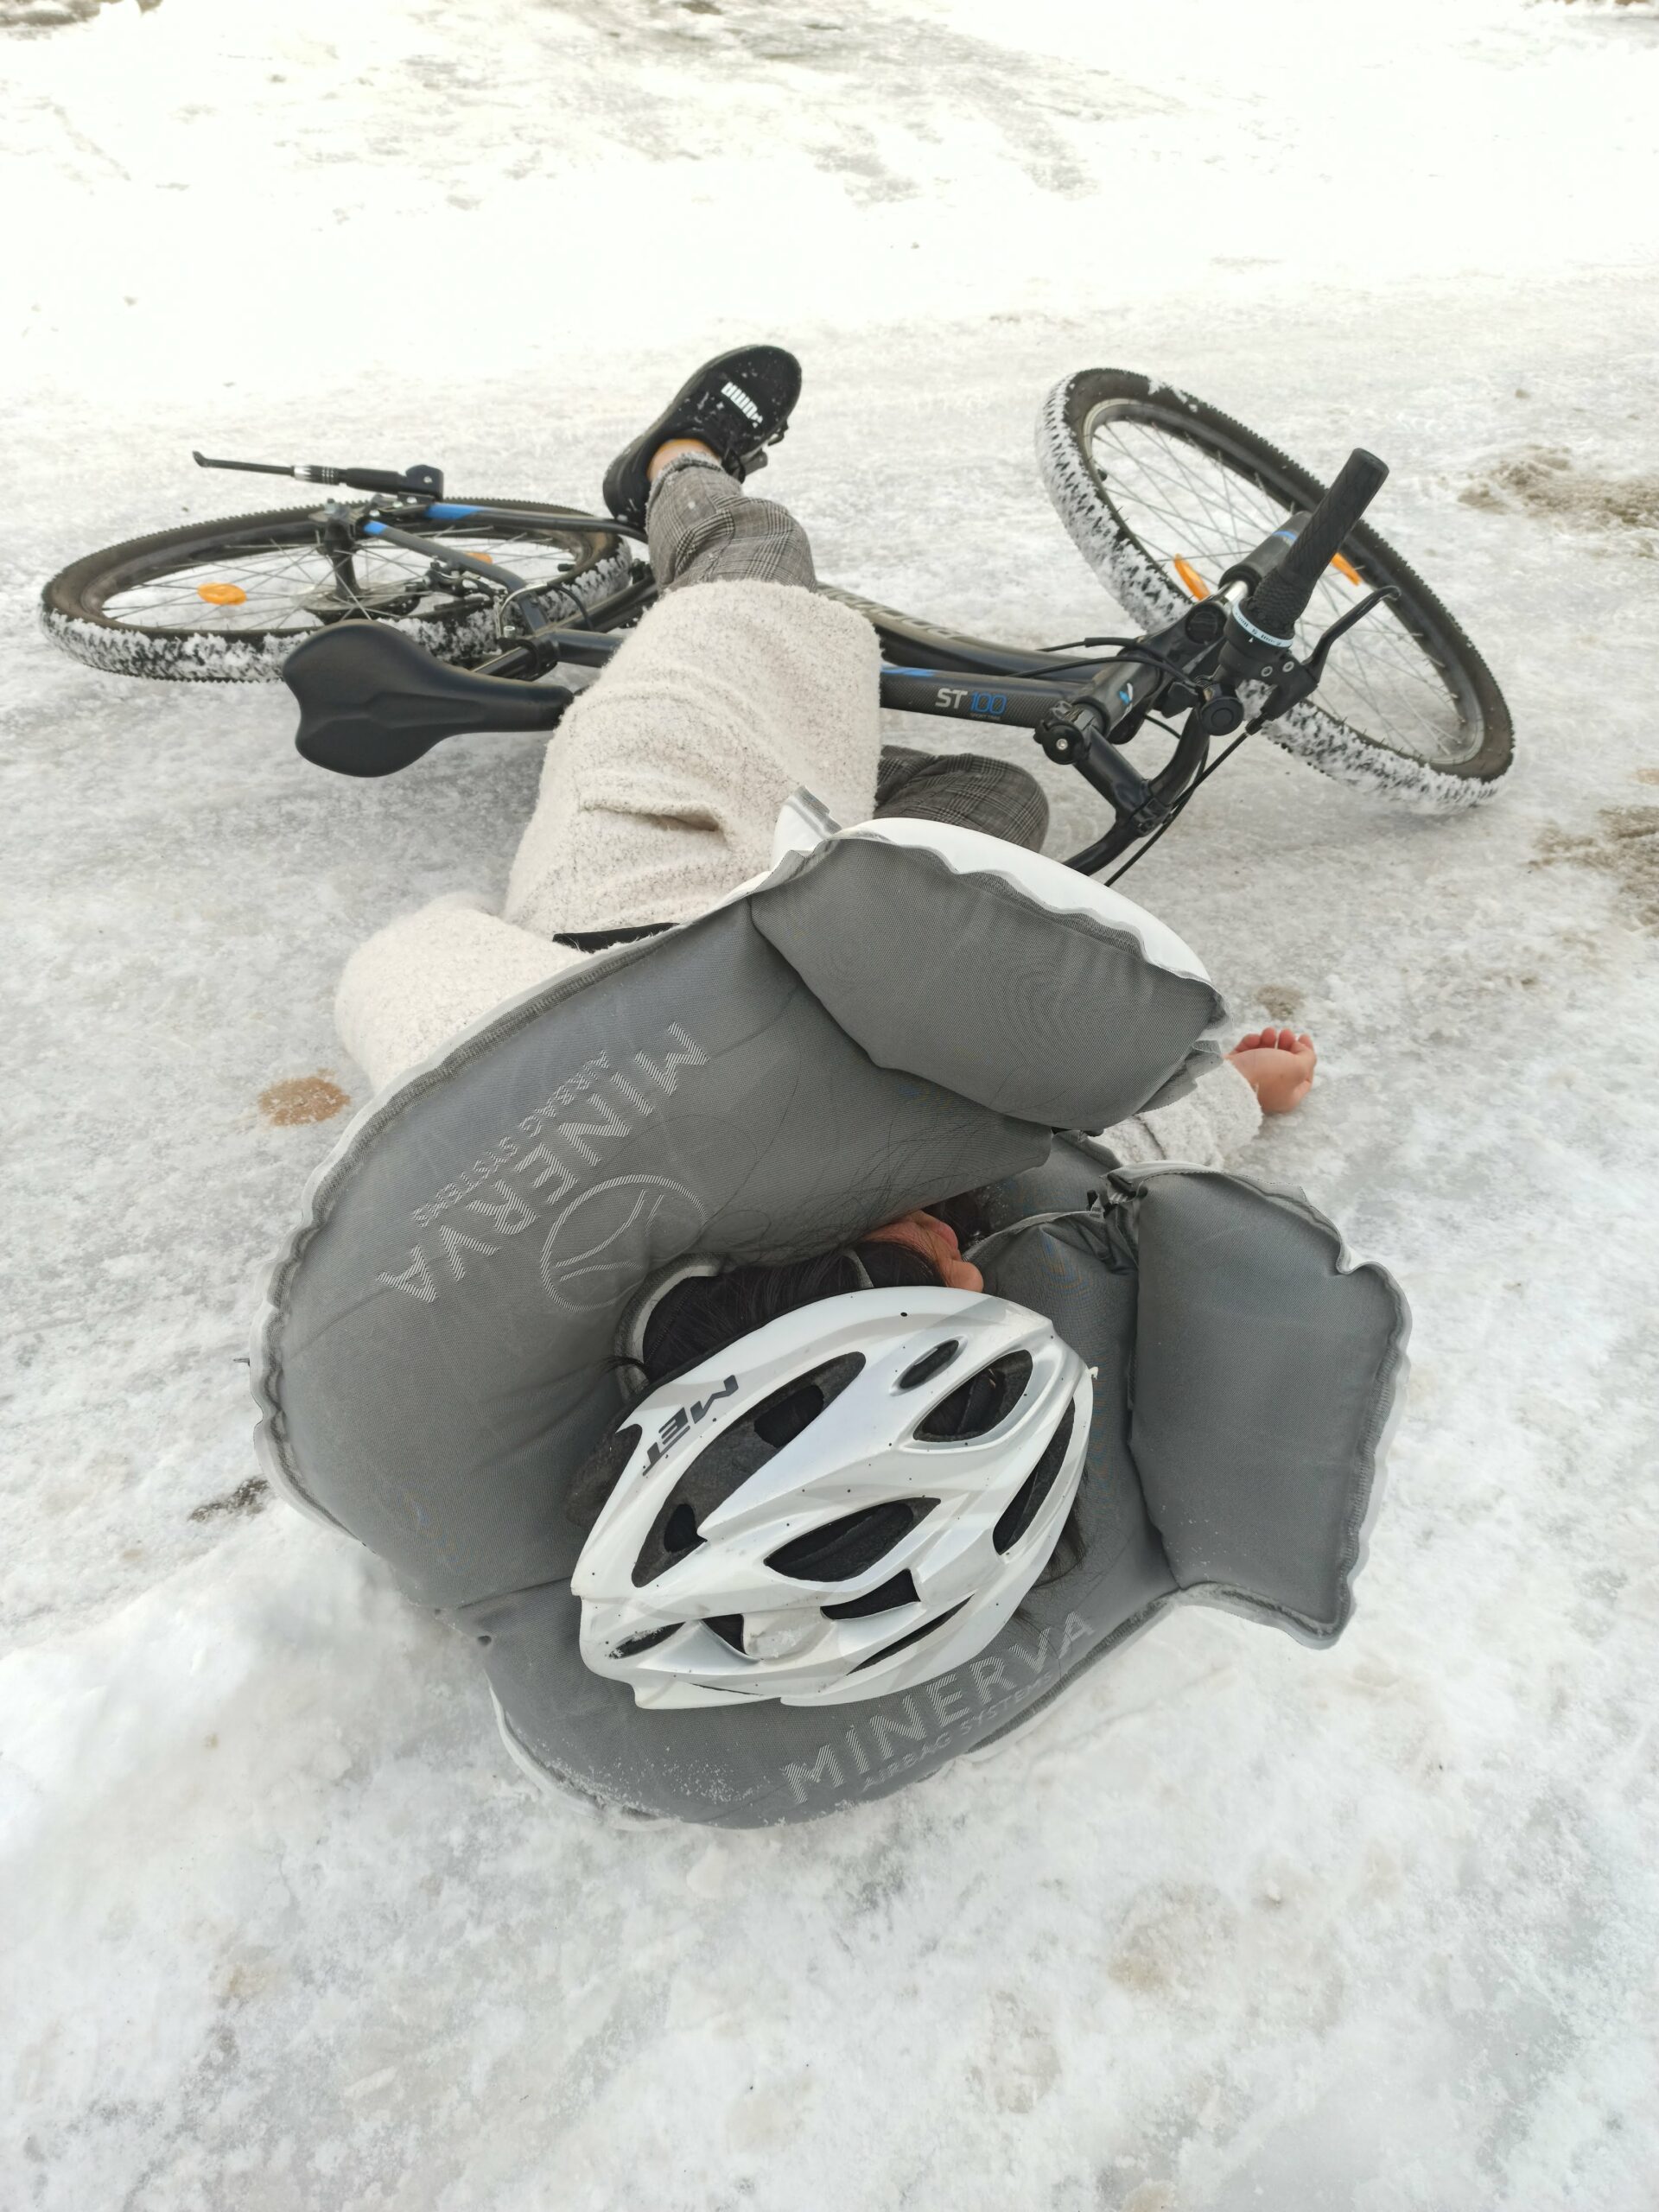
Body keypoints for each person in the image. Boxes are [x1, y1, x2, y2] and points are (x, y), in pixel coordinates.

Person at [337, 343, 1318, 1382]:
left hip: (663, 816)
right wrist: (1240, 1094)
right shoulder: (936, 1211)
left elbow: (398, 972)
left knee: (759, 554)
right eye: (969, 1301)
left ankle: (675, 465)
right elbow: (1094, 1172)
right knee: (1000, 799)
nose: (974, 1275)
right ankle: (745, 703)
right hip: (815, 865)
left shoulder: (584, 1170)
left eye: (917, 1274)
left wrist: (637, 1023)